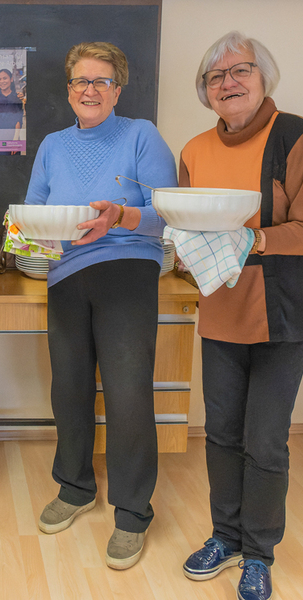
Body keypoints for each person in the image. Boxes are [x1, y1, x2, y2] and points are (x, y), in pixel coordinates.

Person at [25, 42, 177, 569]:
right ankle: (74, 487)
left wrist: (121, 217)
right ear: (68, 89)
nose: (89, 91)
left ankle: (133, 513)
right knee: (68, 388)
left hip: (127, 270)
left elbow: (168, 213)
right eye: (80, 82)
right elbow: (33, 214)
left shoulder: (141, 135)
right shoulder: (51, 144)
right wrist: (30, 235)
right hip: (66, 273)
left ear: (118, 89)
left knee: (128, 393)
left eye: (101, 82)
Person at [180, 31, 303, 600]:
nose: (228, 83)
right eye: (215, 77)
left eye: (240, 71)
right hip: (221, 313)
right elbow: (185, 230)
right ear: (206, 93)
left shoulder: (296, 137)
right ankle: (224, 536)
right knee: (222, 435)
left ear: (263, 77)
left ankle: (259, 553)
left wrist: (244, 240)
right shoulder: (194, 150)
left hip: (282, 317)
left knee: (266, 441)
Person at [0, 69, 24, 153]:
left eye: (5, 78)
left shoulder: (17, 98)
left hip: (12, 138)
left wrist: (15, 141)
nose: (2, 81)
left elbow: (18, 121)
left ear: (11, 79)